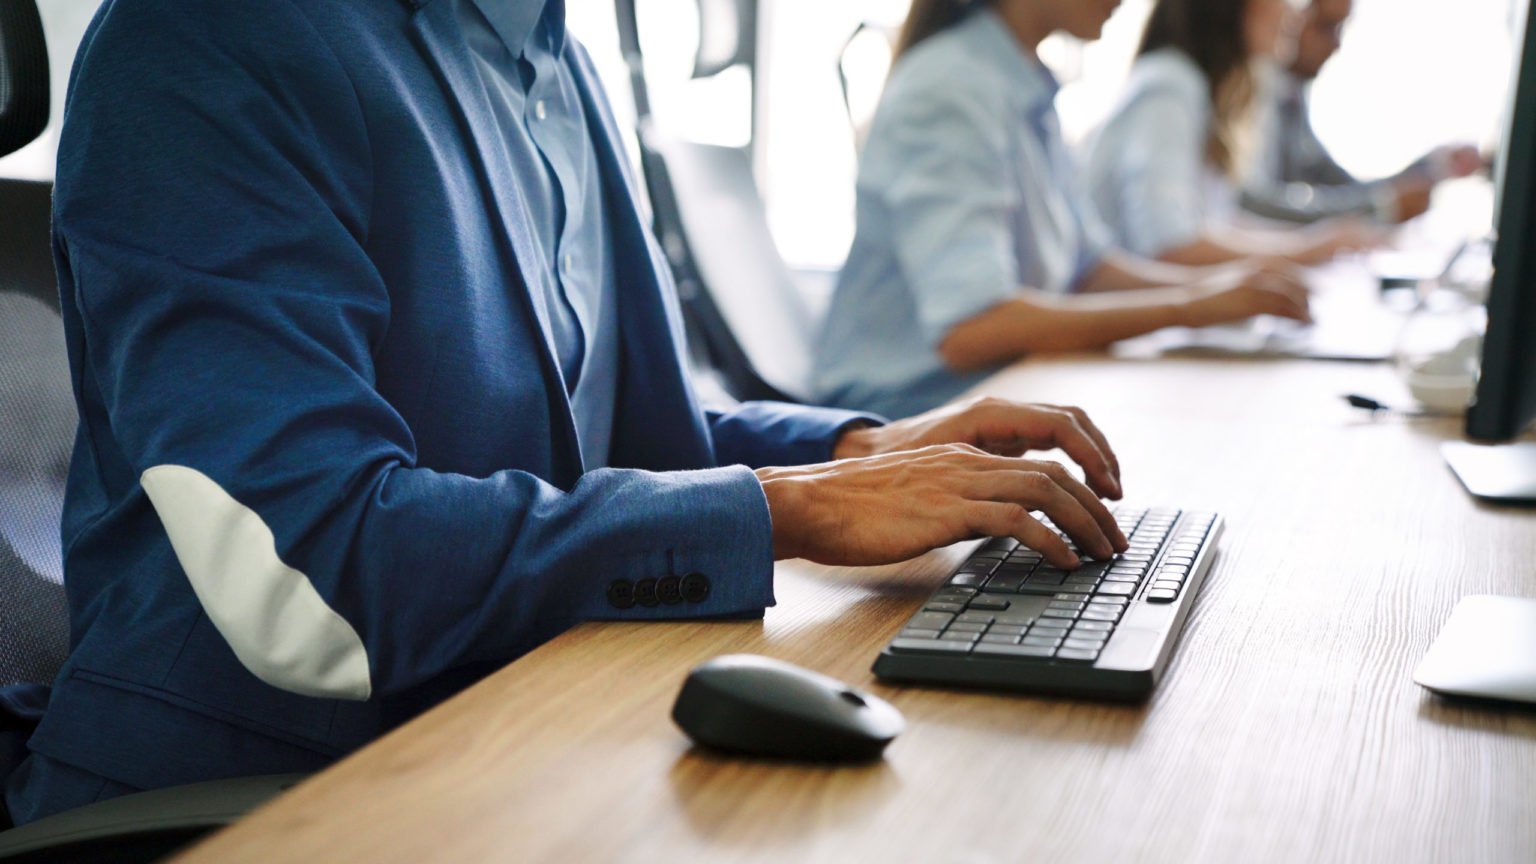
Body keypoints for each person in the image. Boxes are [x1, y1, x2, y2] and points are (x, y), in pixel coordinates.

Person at [3, 0, 1136, 824]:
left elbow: (636, 440)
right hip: (264, 794)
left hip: (523, 730)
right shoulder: (208, 41)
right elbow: (315, 583)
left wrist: (858, 452)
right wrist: (792, 510)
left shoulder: (545, 49)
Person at [814, 0, 1313, 419]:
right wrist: (1190, 308)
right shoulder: (952, 88)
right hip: (907, 416)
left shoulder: (1022, 81)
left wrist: (1220, 291)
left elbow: (1088, 267)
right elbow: (971, 328)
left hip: (1001, 392)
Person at [1083, 0, 1377, 266]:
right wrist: (1305, 250)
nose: (1294, 11)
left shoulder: (1205, 93)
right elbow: (1169, 246)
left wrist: (1320, 242)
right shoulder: (1168, 87)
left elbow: (1220, 225)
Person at [1240, 0, 1483, 225]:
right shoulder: (1248, 91)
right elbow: (1250, 204)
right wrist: (1379, 209)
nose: (1337, 44)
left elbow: (1341, 185)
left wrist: (1431, 166)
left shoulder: (1290, 95)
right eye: (1326, 27)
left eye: (1342, 27)